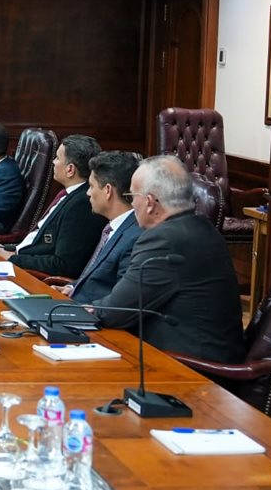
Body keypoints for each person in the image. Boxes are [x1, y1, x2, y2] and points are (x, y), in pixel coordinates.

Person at [88, 155, 245, 363]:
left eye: (132, 196)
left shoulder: (163, 240)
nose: (131, 203)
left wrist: (84, 310)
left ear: (150, 202)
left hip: (189, 368)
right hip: (206, 355)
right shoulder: (202, 228)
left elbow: (116, 311)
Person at [6, 135, 106, 277]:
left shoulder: (82, 205)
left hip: (31, 274)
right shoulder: (68, 194)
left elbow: (63, 264)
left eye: (58, 158)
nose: (53, 161)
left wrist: (13, 259)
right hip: (17, 255)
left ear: (70, 169)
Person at [60, 151, 143, 303]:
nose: (88, 193)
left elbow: (122, 299)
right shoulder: (113, 226)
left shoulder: (135, 237)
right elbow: (97, 278)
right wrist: (72, 287)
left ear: (108, 190)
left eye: (91, 186)